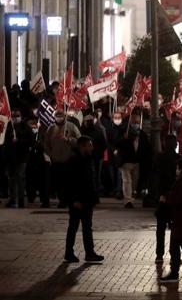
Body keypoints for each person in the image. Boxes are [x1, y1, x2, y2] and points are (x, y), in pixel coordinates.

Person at [64, 136, 104, 264]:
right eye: (89, 145)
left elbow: (90, 180)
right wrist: (74, 200)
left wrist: (94, 197)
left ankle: (90, 253)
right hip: (77, 200)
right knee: (73, 227)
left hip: (87, 200)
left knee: (87, 227)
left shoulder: (88, 159)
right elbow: (70, 182)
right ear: (82, 147)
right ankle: (69, 252)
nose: (91, 148)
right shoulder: (73, 161)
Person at [44, 110, 81, 208]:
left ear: (64, 116)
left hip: (68, 159)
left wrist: (69, 140)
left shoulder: (71, 126)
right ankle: (62, 200)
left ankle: (69, 200)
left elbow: (79, 140)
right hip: (56, 160)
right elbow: (46, 144)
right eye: (57, 116)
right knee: (58, 182)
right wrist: (50, 154)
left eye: (60, 115)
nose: (59, 117)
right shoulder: (51, 128)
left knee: (68, 182)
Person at [154, 135, 180, 263]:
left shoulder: (159, 158)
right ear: (175, 145)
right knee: (175, 229)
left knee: (160, 228)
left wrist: (160, 194)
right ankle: (174, 254)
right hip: (175, 197)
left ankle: (159, 254)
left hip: (163, 197)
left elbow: (156, 177)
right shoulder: (178, 159)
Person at [116, 113, 150, 208]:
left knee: (134, 181)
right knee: (127, 180)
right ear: (130, 121)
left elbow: (146, 147)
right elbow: (116, 142)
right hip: (126, 160)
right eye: (134, 121)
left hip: (137, 161)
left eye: (137, 121)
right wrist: (124, 138)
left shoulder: (142, 133)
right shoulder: (124, 131)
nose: (136, 123)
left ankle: (132, 196)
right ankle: (127, 200)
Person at [4, 109, 30, 208]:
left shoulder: (25, 127)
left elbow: (30, 141)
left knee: (20, 178)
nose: (15, 118)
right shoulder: (9, 127)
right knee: (11, 179)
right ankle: (12, 199)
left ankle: (21, 200)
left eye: (17, 116)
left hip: (21, 157)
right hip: (10, 157)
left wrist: (19, 141)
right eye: (14, 116)